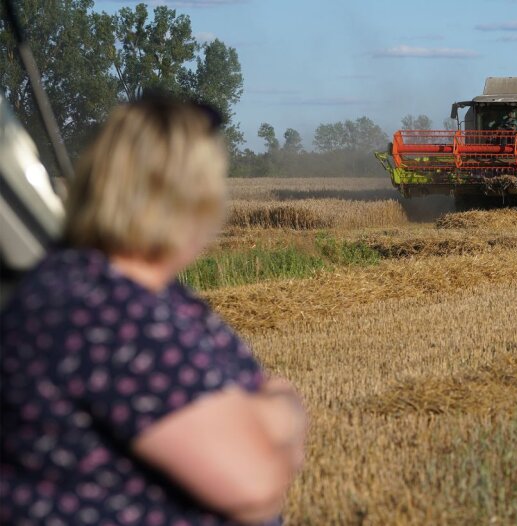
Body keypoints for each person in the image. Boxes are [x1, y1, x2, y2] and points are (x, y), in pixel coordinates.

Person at [0, 95, 306, 525]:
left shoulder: (123, 290)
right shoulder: (104, 311)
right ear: (192, 199)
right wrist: (283, 410)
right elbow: (253, 485)